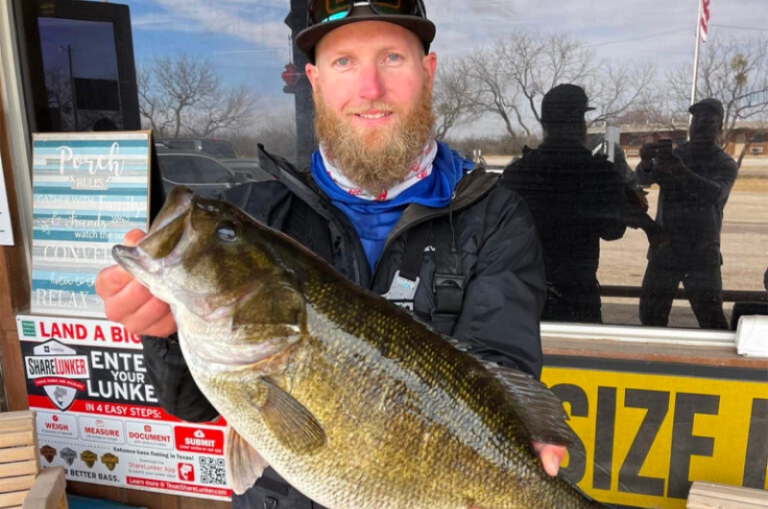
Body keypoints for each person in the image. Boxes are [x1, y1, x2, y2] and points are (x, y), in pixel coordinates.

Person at [96, 1, 564, 507]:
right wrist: (163, 331)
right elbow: (190, 403)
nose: (370, 89)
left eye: (391, 58)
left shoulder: (495, 217)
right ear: (314, 81)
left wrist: (526, 452)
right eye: (344, 62)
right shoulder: (255, 211)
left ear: (427, 72)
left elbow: (498, 369)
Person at [502, 84, 627, 323]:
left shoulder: (518, 173)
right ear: (580, 122)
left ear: (545, 123)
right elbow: (614, 230)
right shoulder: (599, 172)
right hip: (578, 295)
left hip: (524, 295)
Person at [636, 98, 738, 329]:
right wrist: (645, 164)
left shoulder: (724, 164)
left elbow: (715, 194)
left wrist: (681, 172)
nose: (701, 124)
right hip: (665, 250)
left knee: (712, 321)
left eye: (708, 121)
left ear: (719, 127)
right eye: (697, 119)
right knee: (650, 318)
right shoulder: (675, 155)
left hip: (701, 253)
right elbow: (641, 181)